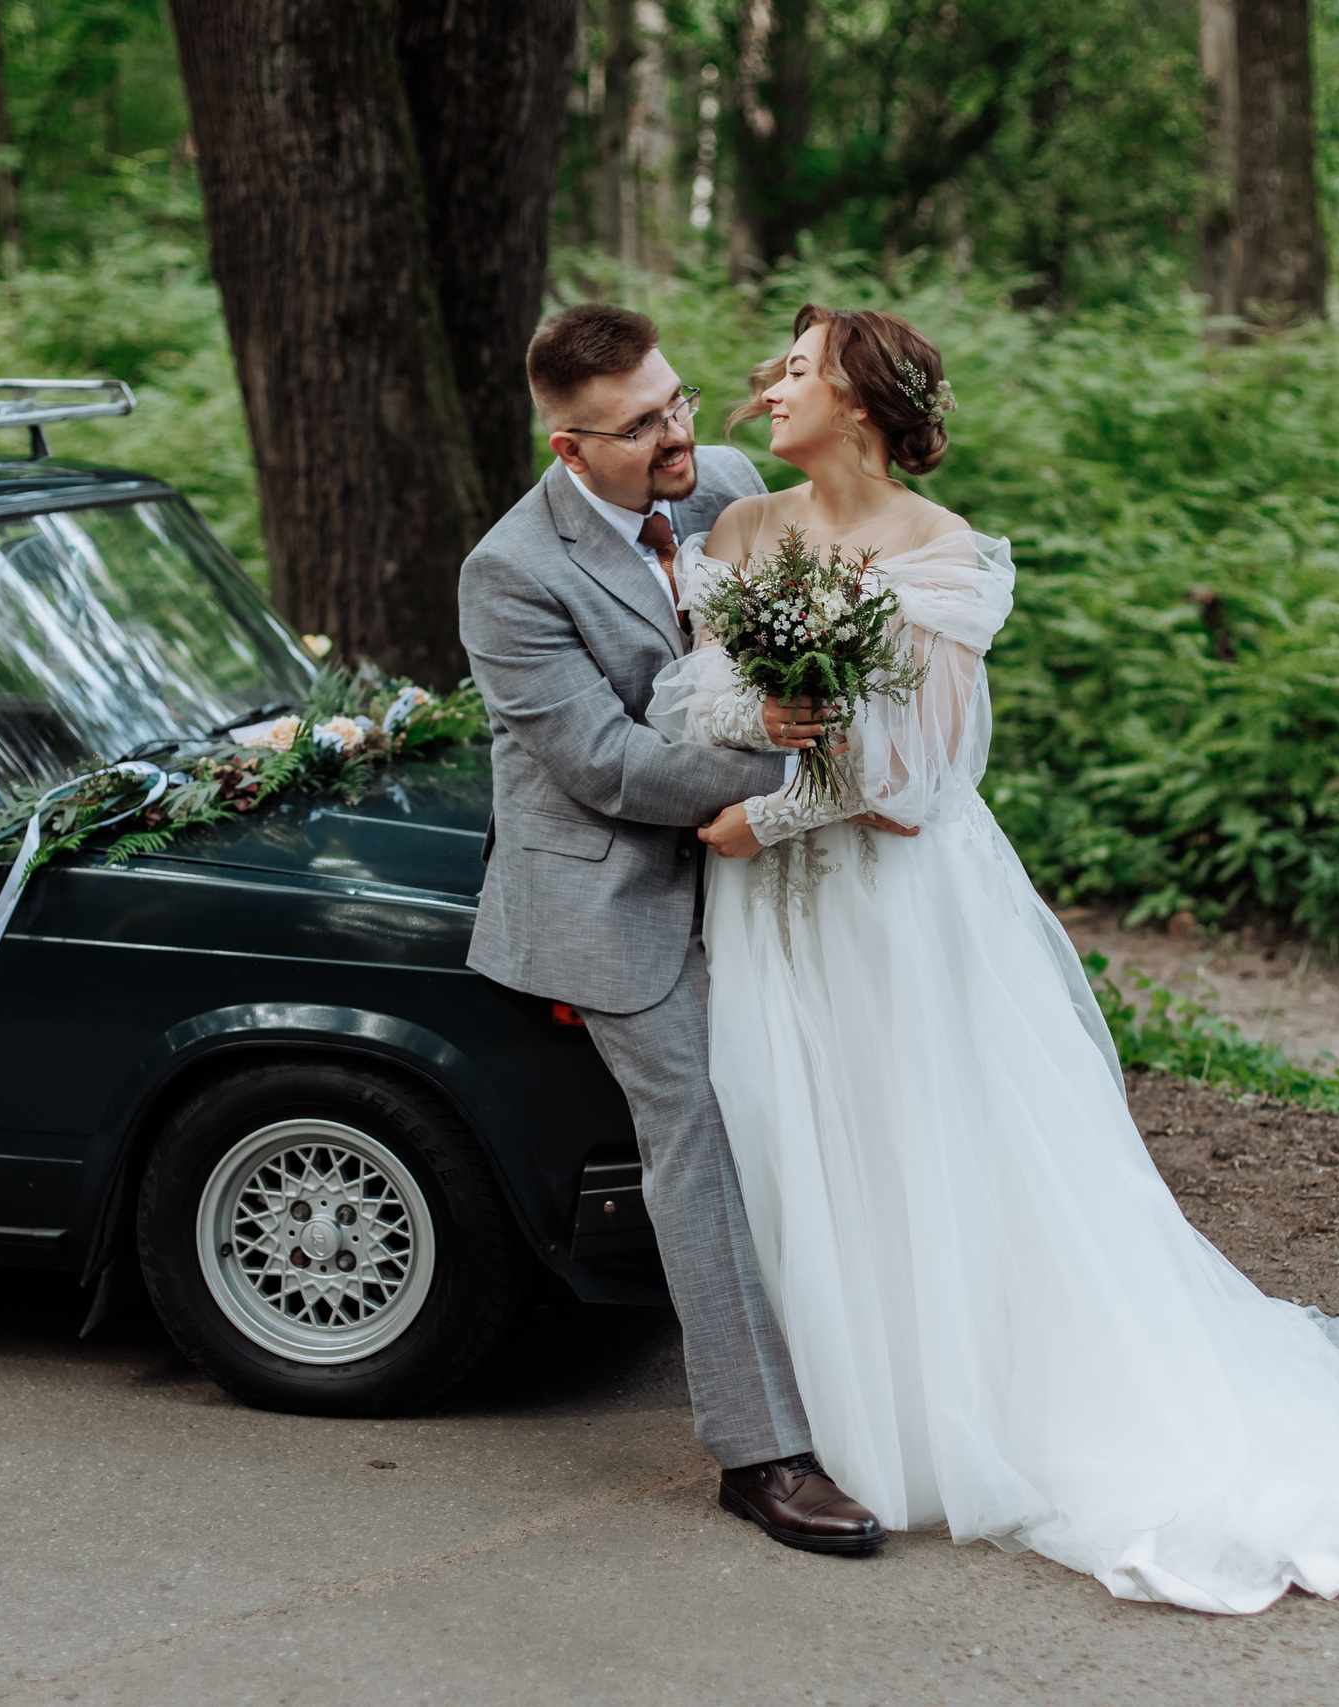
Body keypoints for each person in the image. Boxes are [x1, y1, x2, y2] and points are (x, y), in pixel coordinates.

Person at [649, 304, 1339, 1613]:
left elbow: (922, 770)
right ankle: (847, 1408)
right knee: (800, 1127)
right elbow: (707, 695)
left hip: (888, 893)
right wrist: (762, 725)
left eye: (799, 369)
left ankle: (977, 1406)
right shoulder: (742, 532)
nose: (772, 386)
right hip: (764, 907)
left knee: (934, 1134)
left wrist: (775, 809)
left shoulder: (944, 553)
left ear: (860, 398)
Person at [457, 304, 899, 1555]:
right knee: (705, 1129)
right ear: (567, 447)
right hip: (613, 889)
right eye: (642, 423)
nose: (678, 436)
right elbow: (601, 764)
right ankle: (762, 1451)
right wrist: (803, 789)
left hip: (763, 877)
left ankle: (882, 1380)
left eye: (679, 401)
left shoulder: (734, 486)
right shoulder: (509, 574)